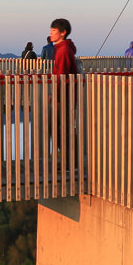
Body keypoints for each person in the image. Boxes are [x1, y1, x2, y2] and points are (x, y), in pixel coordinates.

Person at [49, 18, 79, 166]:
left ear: (63, 33)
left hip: (65, 97)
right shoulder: (61, 49)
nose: (51, 33)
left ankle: (70, 160)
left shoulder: (64, 51)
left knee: (60, 128)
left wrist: (58, 97)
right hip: (64, 95)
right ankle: (70, 159)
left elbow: (62, 76)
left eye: (54, 31)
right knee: (61, 128)